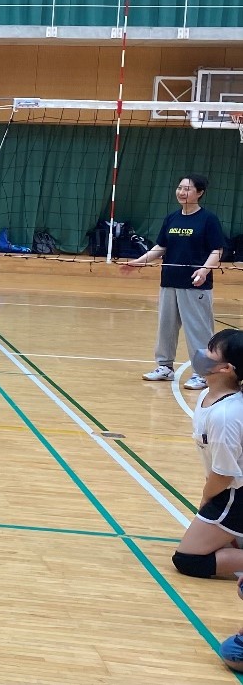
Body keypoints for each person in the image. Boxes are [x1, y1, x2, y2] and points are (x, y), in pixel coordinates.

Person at [123, 173, 227, 391]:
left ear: (200, 193)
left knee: (198, 330)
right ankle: (165, 367)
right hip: (169, 281)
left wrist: (204, 270)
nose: (181, 192)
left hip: (195, 284)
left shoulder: (208, 219)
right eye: (180, 188)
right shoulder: (171, 218)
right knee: (166, 327)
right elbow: (161, 247)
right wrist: (139, 262)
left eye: (187, 189)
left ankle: (203, 373)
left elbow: (217, 250)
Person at [171, 329, 243, 579]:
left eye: (211, 351)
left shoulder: (225, 415)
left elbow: (224, 475)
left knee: (188, 560)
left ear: (226, 368)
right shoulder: (206, 396)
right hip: (226, 490)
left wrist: (206, 498)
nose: (202, 353)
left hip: (235, 495)